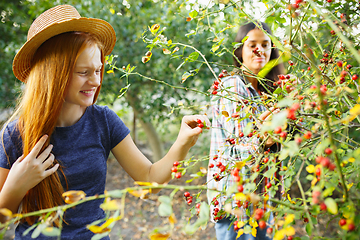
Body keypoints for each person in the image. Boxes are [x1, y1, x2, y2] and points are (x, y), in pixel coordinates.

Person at [0, 5, 210, 239]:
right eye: (83, 72)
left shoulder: (104, 122)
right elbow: (2, 217)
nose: (96, 81)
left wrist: (182, 142)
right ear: (54, 74)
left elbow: (150, 179)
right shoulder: (16, 133)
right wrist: (15, 186)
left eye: (98, 70)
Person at [207, 21, 285, 240]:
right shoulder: (232, 86)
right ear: (240, 50)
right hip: (237, 202)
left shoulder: (269, 92)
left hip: (263, 197)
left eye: (265, 44)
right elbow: (240, 148)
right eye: (252, 44)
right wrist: (265, 139)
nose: (259, 49)